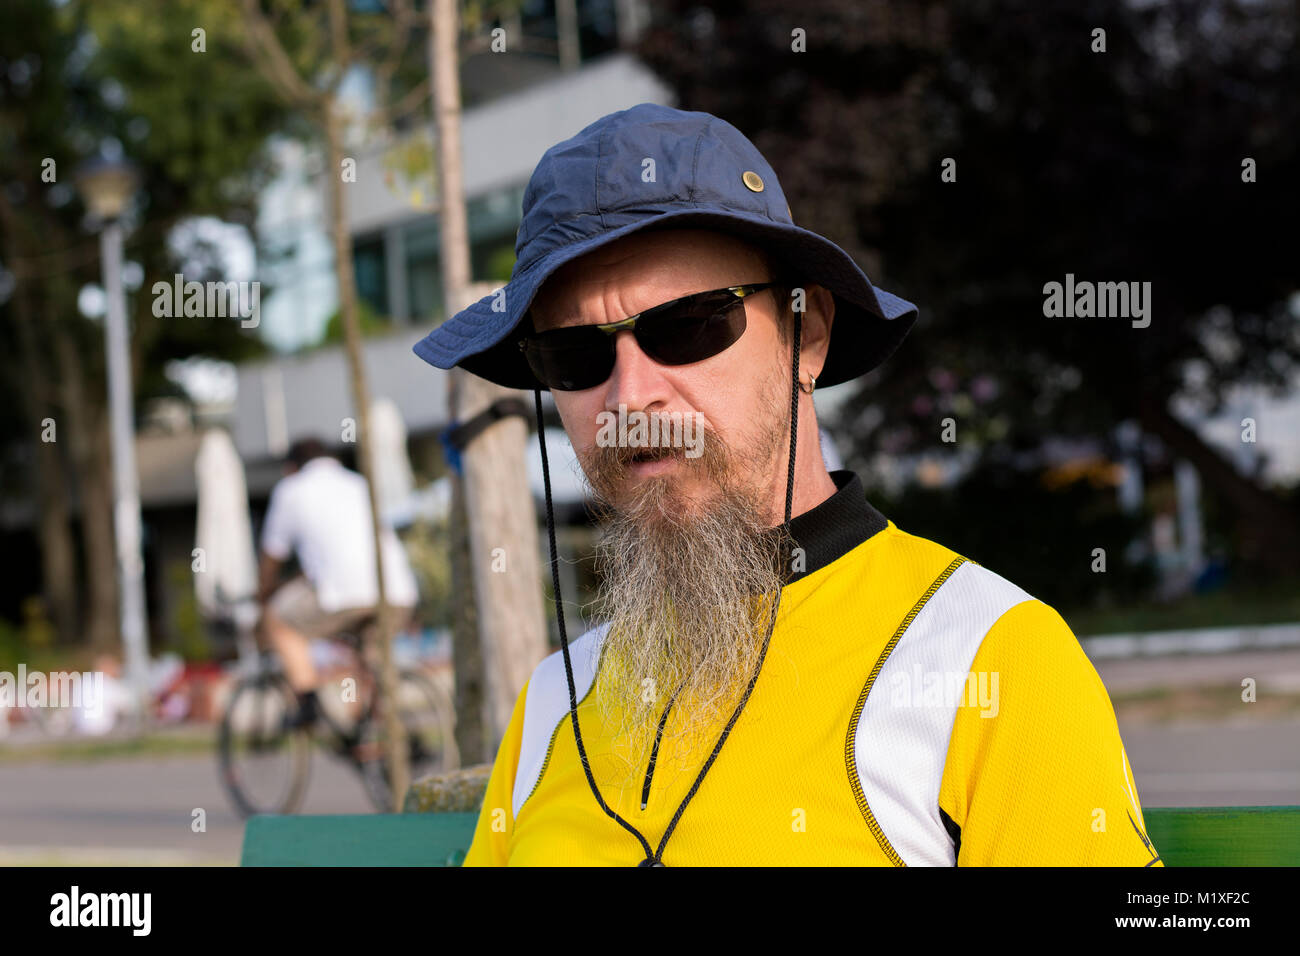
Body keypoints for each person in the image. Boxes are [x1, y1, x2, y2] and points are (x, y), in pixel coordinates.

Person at [413, 103, 1161, 866]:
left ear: (807, 334)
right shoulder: (552, 701)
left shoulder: (988, 659)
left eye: (689, 325)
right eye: (574, 355)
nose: (630, 397)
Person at [257, 437, 419, 730]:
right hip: (398, 592)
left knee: (277, 619)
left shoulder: (291, 489)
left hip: (341, 595)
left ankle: (306, 701)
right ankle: (374, 735)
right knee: (367, 656)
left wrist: (263, 593)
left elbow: (272, 556)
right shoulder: (359, 484)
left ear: (291, 468)